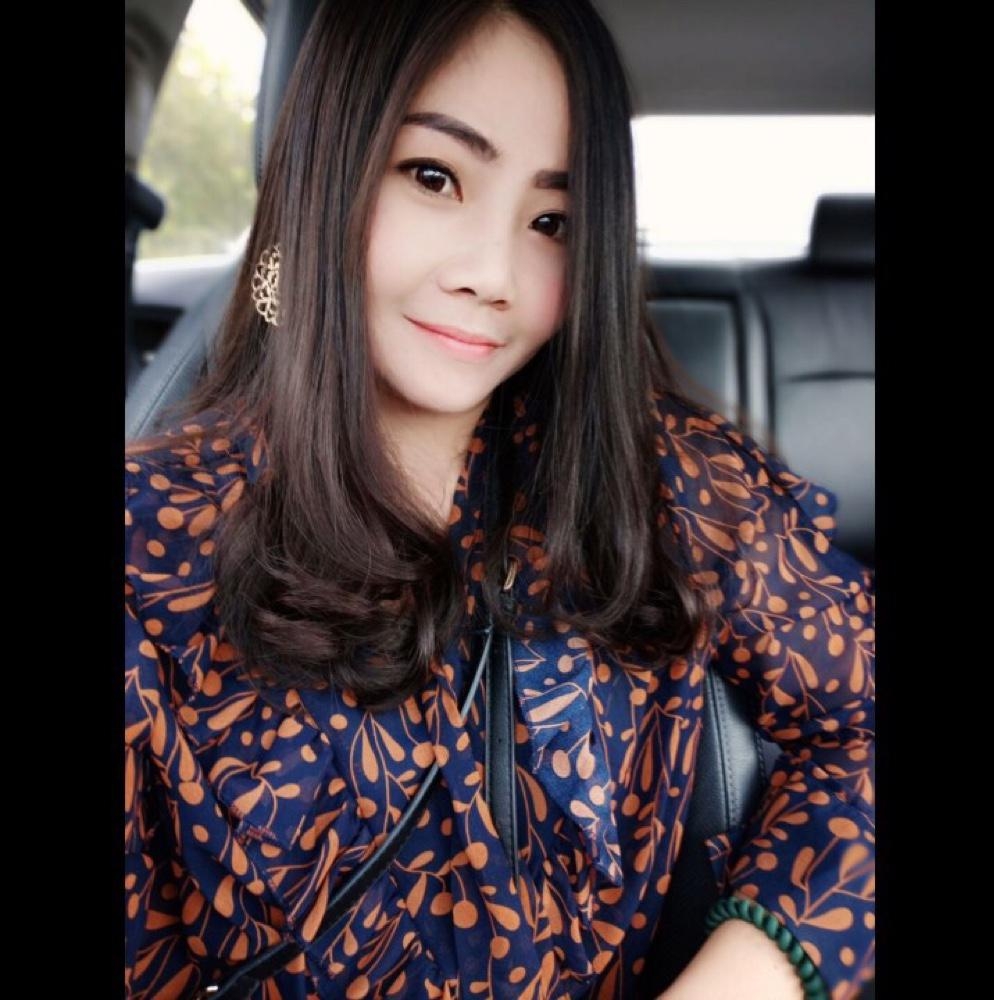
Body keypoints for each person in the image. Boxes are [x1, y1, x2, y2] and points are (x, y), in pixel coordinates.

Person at [124, 2, 875, 997]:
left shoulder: (661, 482)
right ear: (323, 174)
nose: (494, 275)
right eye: (434, 176)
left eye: (551, 221)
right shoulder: (149, 550)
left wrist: (747, 973)